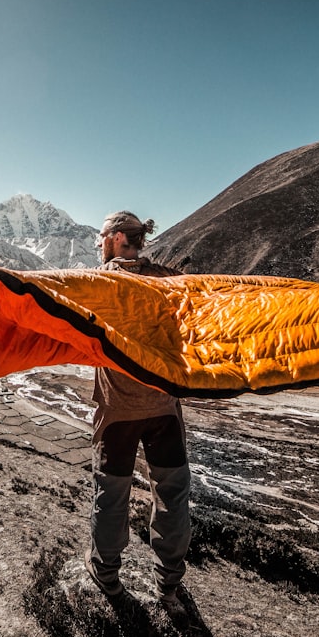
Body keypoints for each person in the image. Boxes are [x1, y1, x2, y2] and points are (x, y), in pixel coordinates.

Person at [83, 210, 191, 614]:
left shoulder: (95, 284)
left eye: (101, 238)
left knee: (112, 496)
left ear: (113, 239)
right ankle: (168, 587)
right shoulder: (169, 281)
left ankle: (108, 576)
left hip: (117, 414)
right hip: (164, 409)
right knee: (173, 495)